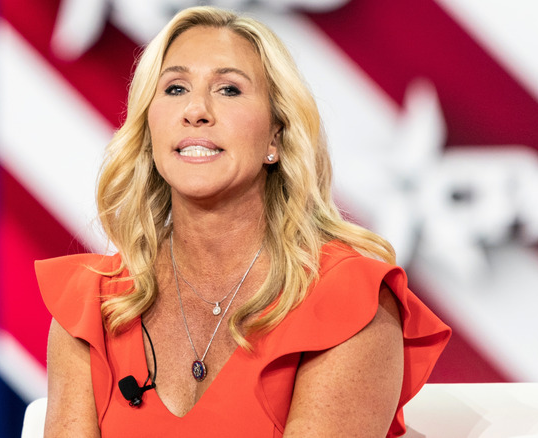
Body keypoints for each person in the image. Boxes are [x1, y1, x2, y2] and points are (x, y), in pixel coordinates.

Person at [36, 5, 451, 437]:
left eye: (229, 90)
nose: (196, 110)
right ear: (148, 129)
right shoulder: (90, 304)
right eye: (175, 88)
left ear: (275, 136)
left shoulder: (349, 300)